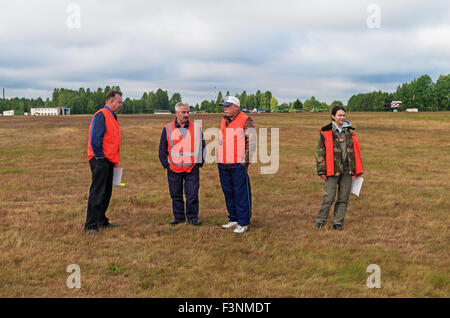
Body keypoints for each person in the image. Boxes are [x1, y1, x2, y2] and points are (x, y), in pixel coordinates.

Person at [315, 105, 364, 230]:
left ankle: (338, 222)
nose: (342, 117)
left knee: (343, 198)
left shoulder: (349, 132)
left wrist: (356, 169)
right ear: (333, 116)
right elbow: (320, 152)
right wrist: (321, 170)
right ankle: (320, 220)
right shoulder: (325, 131)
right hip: (332, 170)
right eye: (339, 115)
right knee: (329, 197)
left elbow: (355, 152)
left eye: (343, 115)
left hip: (347, 170)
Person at [159, 102, 205, 226]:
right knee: (176, 195)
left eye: (187, 112)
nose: (186, 115)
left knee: (192, 195)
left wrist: (199, 163)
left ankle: (192, 218)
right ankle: (178, 218)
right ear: (176, 113)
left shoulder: (196, 128)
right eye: (183, 112)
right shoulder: (168, 128)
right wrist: (166, 164)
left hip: (192, 168)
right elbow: (162, 148)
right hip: (173, 168)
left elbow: (202, 146)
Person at [85, 90, 123, 235]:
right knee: (98, 192)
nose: (121, 104)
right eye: (119, 101)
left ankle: (101, 220)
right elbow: (96, 139)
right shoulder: (101, 115)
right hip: (99, 159)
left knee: (106, 192)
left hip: (108, 160)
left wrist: (113, 161)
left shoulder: (113, 117)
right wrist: (100, 158)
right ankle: (90, 225)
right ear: (111, 101)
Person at [218, 96, 255, 234]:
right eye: (224, 106)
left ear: (236, 107)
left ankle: (243, 221)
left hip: (238, 164)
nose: (225, 108)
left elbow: (251, 142)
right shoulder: (224, 120)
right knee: (228, 191)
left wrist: (245, 162)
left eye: (228, 106)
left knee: (241, 193)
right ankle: (233, 218)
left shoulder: (246, 120)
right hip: (223, 162)